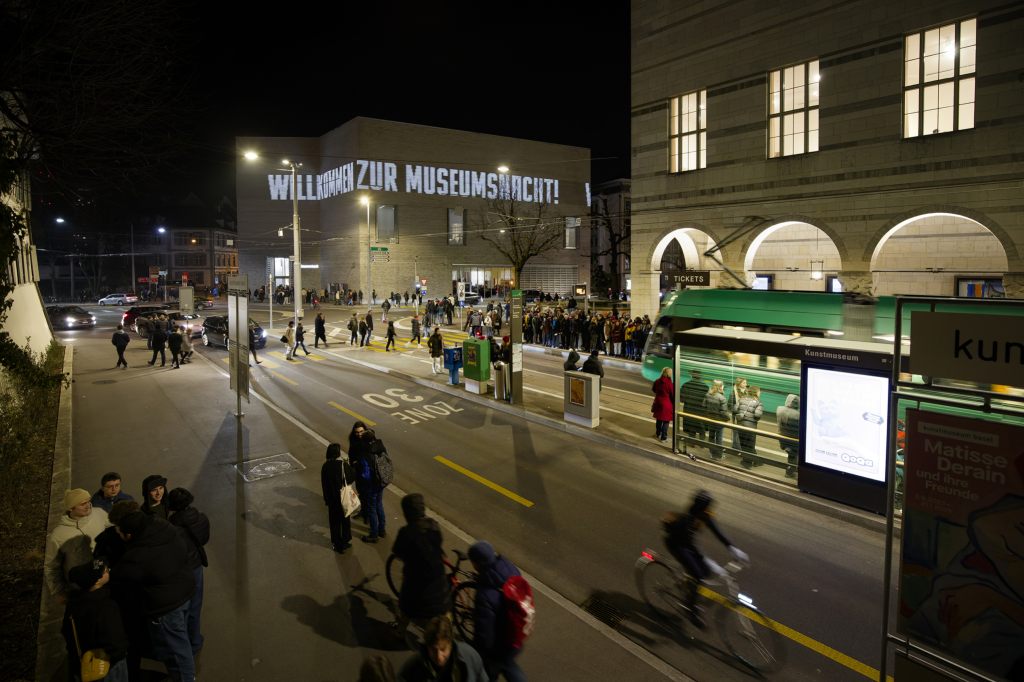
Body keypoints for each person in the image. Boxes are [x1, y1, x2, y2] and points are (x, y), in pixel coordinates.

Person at [111, 511, 196, 682]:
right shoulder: (165, 529)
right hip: (185, 590)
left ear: (129, 535)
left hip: (166, 607)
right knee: (181, 638)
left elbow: (123, 575)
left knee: (176, 650)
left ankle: (186, 678)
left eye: (120, 532)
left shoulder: (139, 555)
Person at [662, 490, 748, 628]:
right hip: (676, 544)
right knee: (698, 575)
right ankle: (690, 609)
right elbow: (690, 545)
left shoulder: (704, 514)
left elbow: (717, 531)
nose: (709, 509)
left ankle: (687, 585)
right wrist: (707, 560)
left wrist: (733, 548)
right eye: (707, 506)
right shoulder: (688, 519)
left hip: (686, 543)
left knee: (706, 572)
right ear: (701, 507)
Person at [468, 541, 528, 682]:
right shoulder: (510, 569)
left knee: (491, 671)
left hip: (501, 642)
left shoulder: (485, 595)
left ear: (477, 563)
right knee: (508, 665)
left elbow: (484, 633)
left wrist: (480, 652)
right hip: (518, 632)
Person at [63, 559, 130, 682]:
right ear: (97, 581)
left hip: (85, 663)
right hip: (108, 665)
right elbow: (116, 641)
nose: (108, 571)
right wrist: (120, 653)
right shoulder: (106, 606)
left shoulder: (73, 603)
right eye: (105, 571)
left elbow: (66, 632)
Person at [391, 494, 450, 626]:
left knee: (406, 606)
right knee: (442, 614)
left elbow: (398, 551)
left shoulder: (406, 532)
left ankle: (400, 631)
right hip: (440, 584)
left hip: (417, 584)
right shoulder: (433, 525)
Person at [45, 489, 110, 601]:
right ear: (71, 508)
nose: (88, 505)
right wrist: (58, 592)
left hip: (106, 576)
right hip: (81, 588)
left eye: (89, 501)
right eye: (82, 504)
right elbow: (51, 566)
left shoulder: (100, 514)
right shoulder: (58, 535)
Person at [168, 488, 210, 658]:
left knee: (182, 608)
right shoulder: (201, 518)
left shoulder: (172, 527)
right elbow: (204, 539)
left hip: (181, 570)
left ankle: (184, 644)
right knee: (196, 605)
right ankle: (195, 639)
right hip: (197, 566)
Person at [400, 616, 488, 681]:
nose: (439, 657)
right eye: (434, 650)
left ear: (450, 644)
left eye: (443, 649)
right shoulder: (415, 664)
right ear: (427, 647)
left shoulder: (469, 655)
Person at [321, 443, 355, 553]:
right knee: (345, 520)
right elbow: (351, 478)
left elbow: (324, 484)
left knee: (334, 522)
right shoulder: (342, 465)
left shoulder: (325, 466)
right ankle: (345, 541)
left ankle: (337, 543)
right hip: (343, 497)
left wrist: (326, 499)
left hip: (332, 499)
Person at [357, 429, 389, 542]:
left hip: (371, 484)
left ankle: (374, 534)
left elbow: (365, 474)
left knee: (372, 508)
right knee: (379, 505)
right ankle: (382, 530)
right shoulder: (381, 446)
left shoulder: (366, 452)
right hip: (381, 481)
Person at [735, 385, 764, 467]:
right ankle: (748, 463)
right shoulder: (758, 402)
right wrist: (754, 420)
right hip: (751, 427)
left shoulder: (742, 399)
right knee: (750, 445)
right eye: (759, 391)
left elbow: (734, 409)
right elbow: (757, 415)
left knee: (743, 444)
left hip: (740, 425)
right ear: (756, 393)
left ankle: (751, 461)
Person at [703, 380, 729, 460]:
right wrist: (727, 418)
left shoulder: (708, 395)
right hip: (719, 420)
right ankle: (718, 455)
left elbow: (703, 405)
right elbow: (724, 412)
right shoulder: (722, 398)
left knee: (711, 436)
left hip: (710, 419)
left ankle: (712, 453)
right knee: (719, 437)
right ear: (721, 387)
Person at [680, 370, 710, 440]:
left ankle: (692, 442)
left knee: (691, 427)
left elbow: (682, 399)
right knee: (701, 428)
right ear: (700, 377)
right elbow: (707, 400)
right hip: (701, 411)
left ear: (692, 376)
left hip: (689, 409)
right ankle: (702, 443)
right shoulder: (705, 387)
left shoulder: (686, 385)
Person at [776, 394, 801, 477]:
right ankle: (789, 472)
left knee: (791, 455)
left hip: (783, 437)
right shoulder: (799, 414)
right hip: (794, 439)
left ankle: (791, 470)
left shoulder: (780, 410)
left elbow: (779, 425)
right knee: (793, 456)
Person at [651, 367, 675, 442]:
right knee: (666, 421)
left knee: (659, 419)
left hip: (658, 402)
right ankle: (663, 437)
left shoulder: (657, 381)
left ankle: (657, 434)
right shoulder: (670, 384)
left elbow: (654, 390)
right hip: (667, 404)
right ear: (669, 374)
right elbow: (672, 395)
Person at [727, 377, 748, 450]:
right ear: (739, 384)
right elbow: (729, 405)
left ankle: (740, 446)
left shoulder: (747, 392)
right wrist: (737, 409)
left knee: (743, 431)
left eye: (746, 382)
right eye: (744, 383)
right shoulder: (733, 393)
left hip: (745, 415)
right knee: (736, 431)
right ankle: (735, 447)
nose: (746, 384)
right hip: (736, 415)